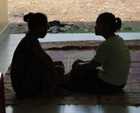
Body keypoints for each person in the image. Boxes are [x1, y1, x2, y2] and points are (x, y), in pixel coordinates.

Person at [64, 12, 130, 94]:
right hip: (120, 84)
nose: (95, 27)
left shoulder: (106, 45)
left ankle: (64, 82)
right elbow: (96, 63)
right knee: (80, 66)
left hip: (110, 85)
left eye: (97, 24)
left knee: (78, 72)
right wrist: (81, 64)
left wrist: (78, 67)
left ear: (105, 27)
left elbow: (93, 65)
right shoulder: (118, 40)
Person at [10, 12, 64, 98]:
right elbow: (47, 61)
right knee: (59, 70)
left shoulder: (29, 39)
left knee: (58, 65)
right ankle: (49, 91)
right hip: (24, 88)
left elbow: (44, 60)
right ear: (39, 28)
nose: (48, 28)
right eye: (46, 26)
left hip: (21, 84)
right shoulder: (31, 42)